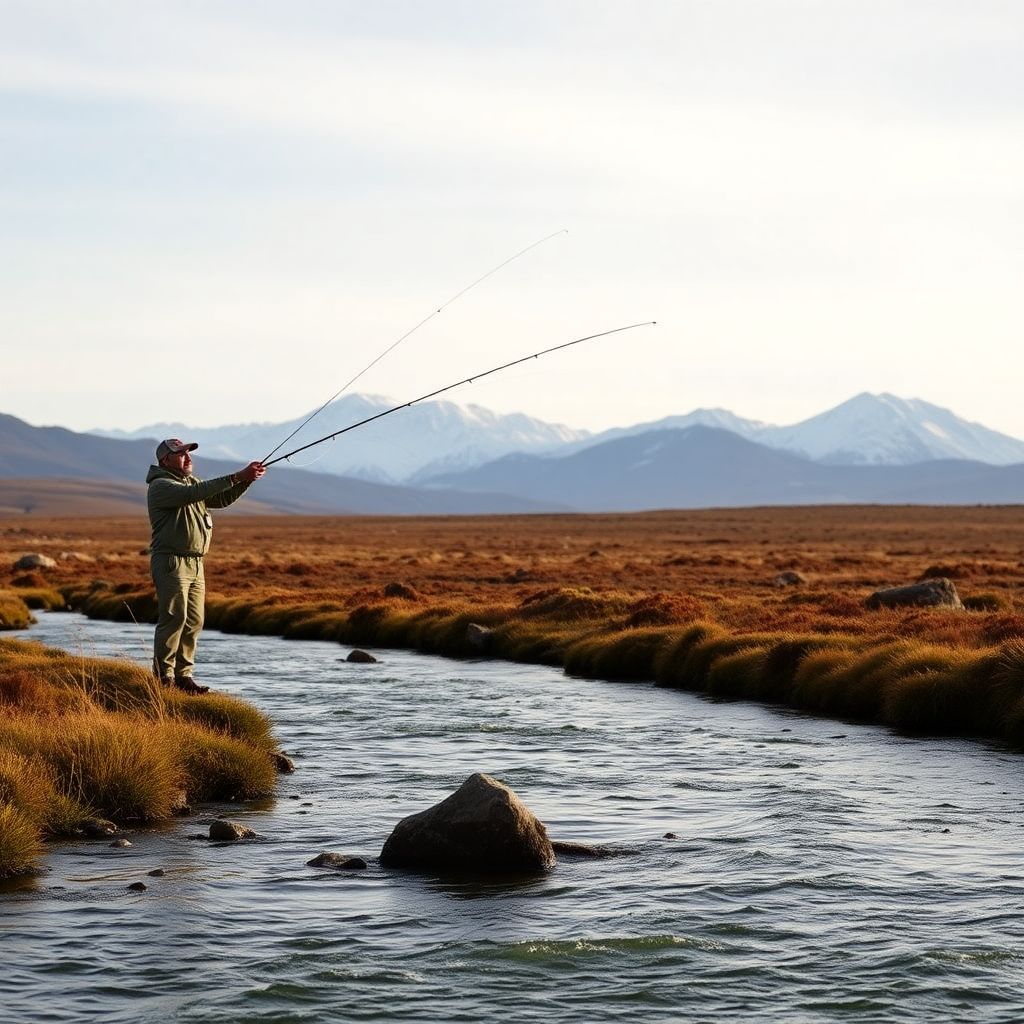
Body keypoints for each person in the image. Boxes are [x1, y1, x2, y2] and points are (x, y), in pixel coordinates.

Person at [146, 438, 266, 693]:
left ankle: (183, 677)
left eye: (189, 453)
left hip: (196, 563)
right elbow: (193, 495)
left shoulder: (192, 483)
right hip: (172, 561)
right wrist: (236, 476)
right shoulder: (161, 486)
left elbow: (220, 500)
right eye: (181, 454)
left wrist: (246, 480)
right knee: (173, 618)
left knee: (194, 621)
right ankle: (163, 678)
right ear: (165, 460)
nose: (188, 458)